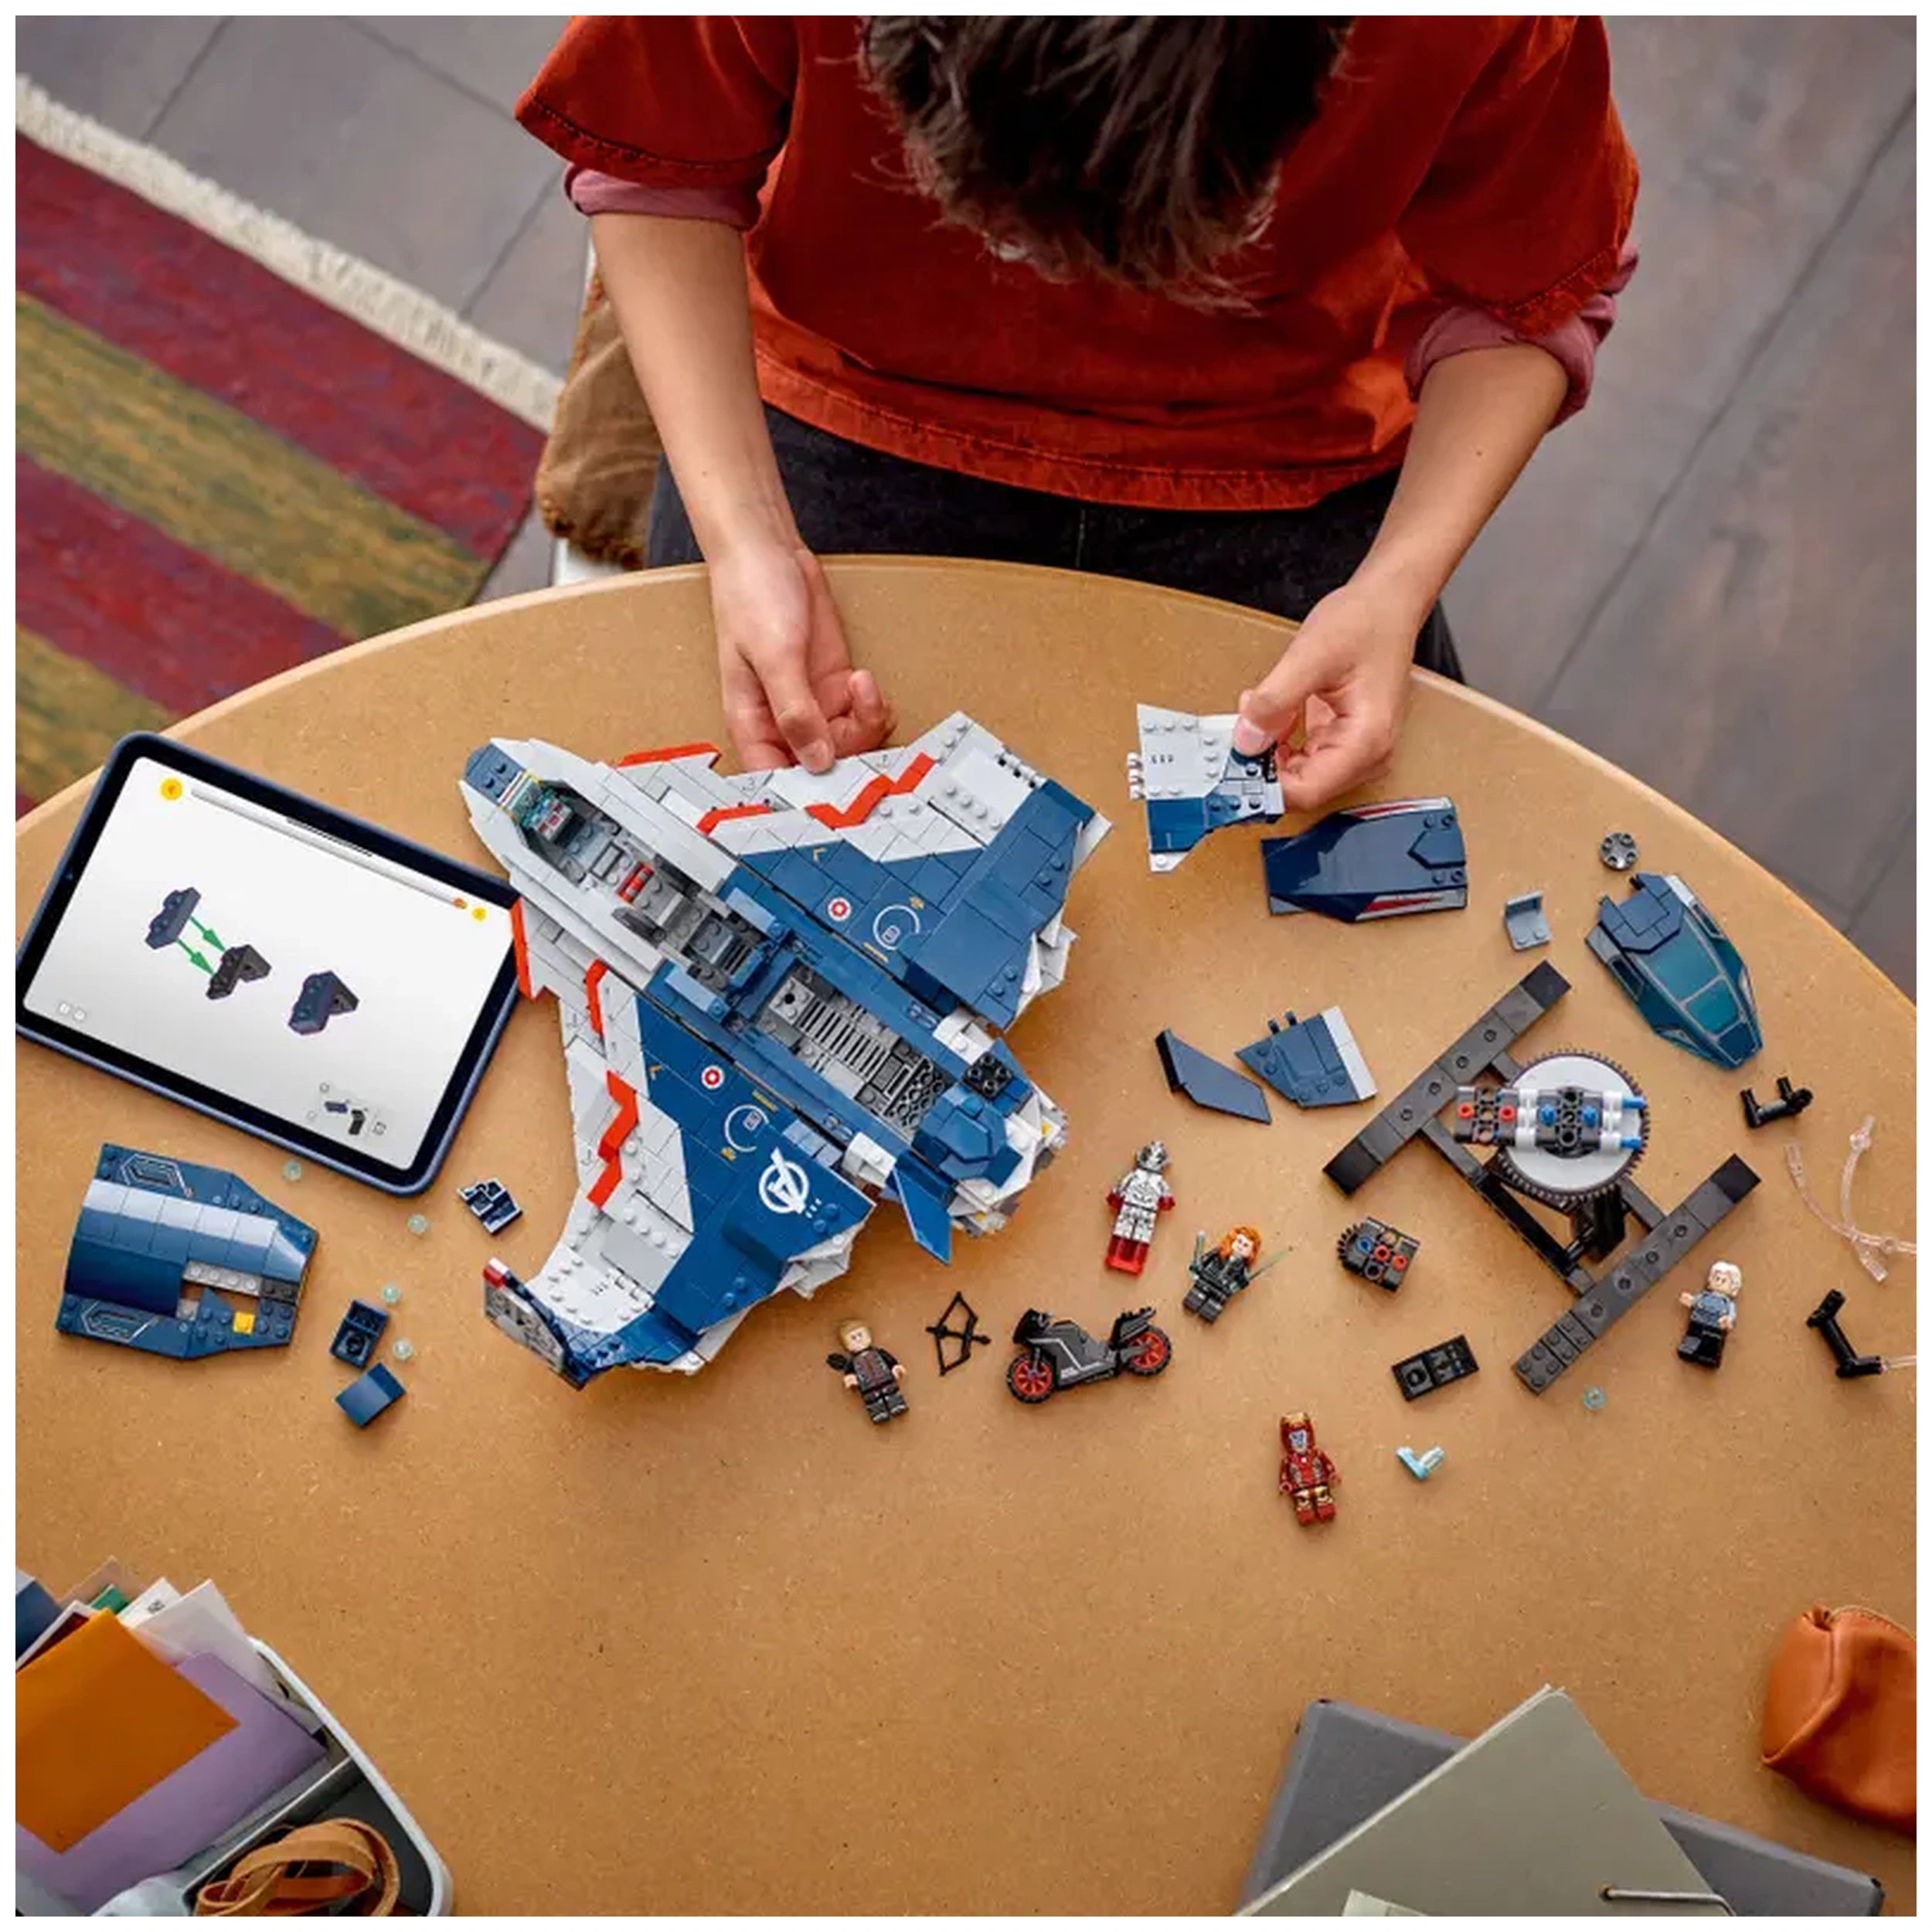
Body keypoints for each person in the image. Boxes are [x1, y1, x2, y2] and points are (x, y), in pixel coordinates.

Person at [517, 17, 1636, 806]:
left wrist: (1394, 592)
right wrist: (744, 535)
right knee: (684, 850)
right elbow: (659, 164)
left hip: (1275, 454)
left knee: (1396, 912)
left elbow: (1531, 295)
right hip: (848, 395)